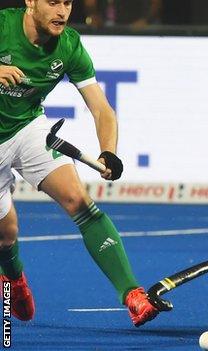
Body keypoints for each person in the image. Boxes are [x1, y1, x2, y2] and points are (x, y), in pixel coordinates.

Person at [0, 0, 158, 326]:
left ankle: (132, 294)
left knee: (78, 200)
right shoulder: (3, 26)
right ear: (30, 1)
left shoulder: (69, 45)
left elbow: (101, 108)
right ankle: (13, 277)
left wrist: (109, 151)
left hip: (28, 128)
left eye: (67, 2)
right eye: (53, 2)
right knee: (6, 233)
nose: (62, 11)